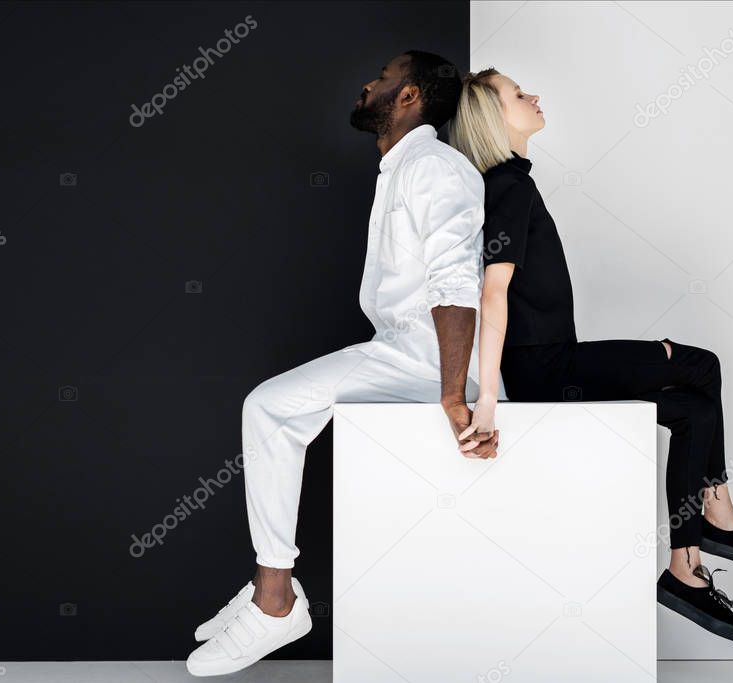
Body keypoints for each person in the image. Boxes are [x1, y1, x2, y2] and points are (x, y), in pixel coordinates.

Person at [185, 50, 498, 677]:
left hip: (422, 355)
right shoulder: (401, 168)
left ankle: (275, 600)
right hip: (401, 347)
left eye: (381, 78)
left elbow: (457, 283)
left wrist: (455, 394)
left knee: (269, 407)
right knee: (274, 408)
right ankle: (264, 593)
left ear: (409, 96)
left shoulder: (435, 167)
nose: (367, 84)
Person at [449, 67, 733, 644]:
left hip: (554, 362)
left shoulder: (511, 182)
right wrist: (485, 400)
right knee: (700, 365)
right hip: (546, 368)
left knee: (695, 413)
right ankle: (720, 516)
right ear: (491, 117)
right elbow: (492, 291)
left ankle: (685, 570)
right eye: (517, 94)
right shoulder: (507, 184)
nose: (533, 96)